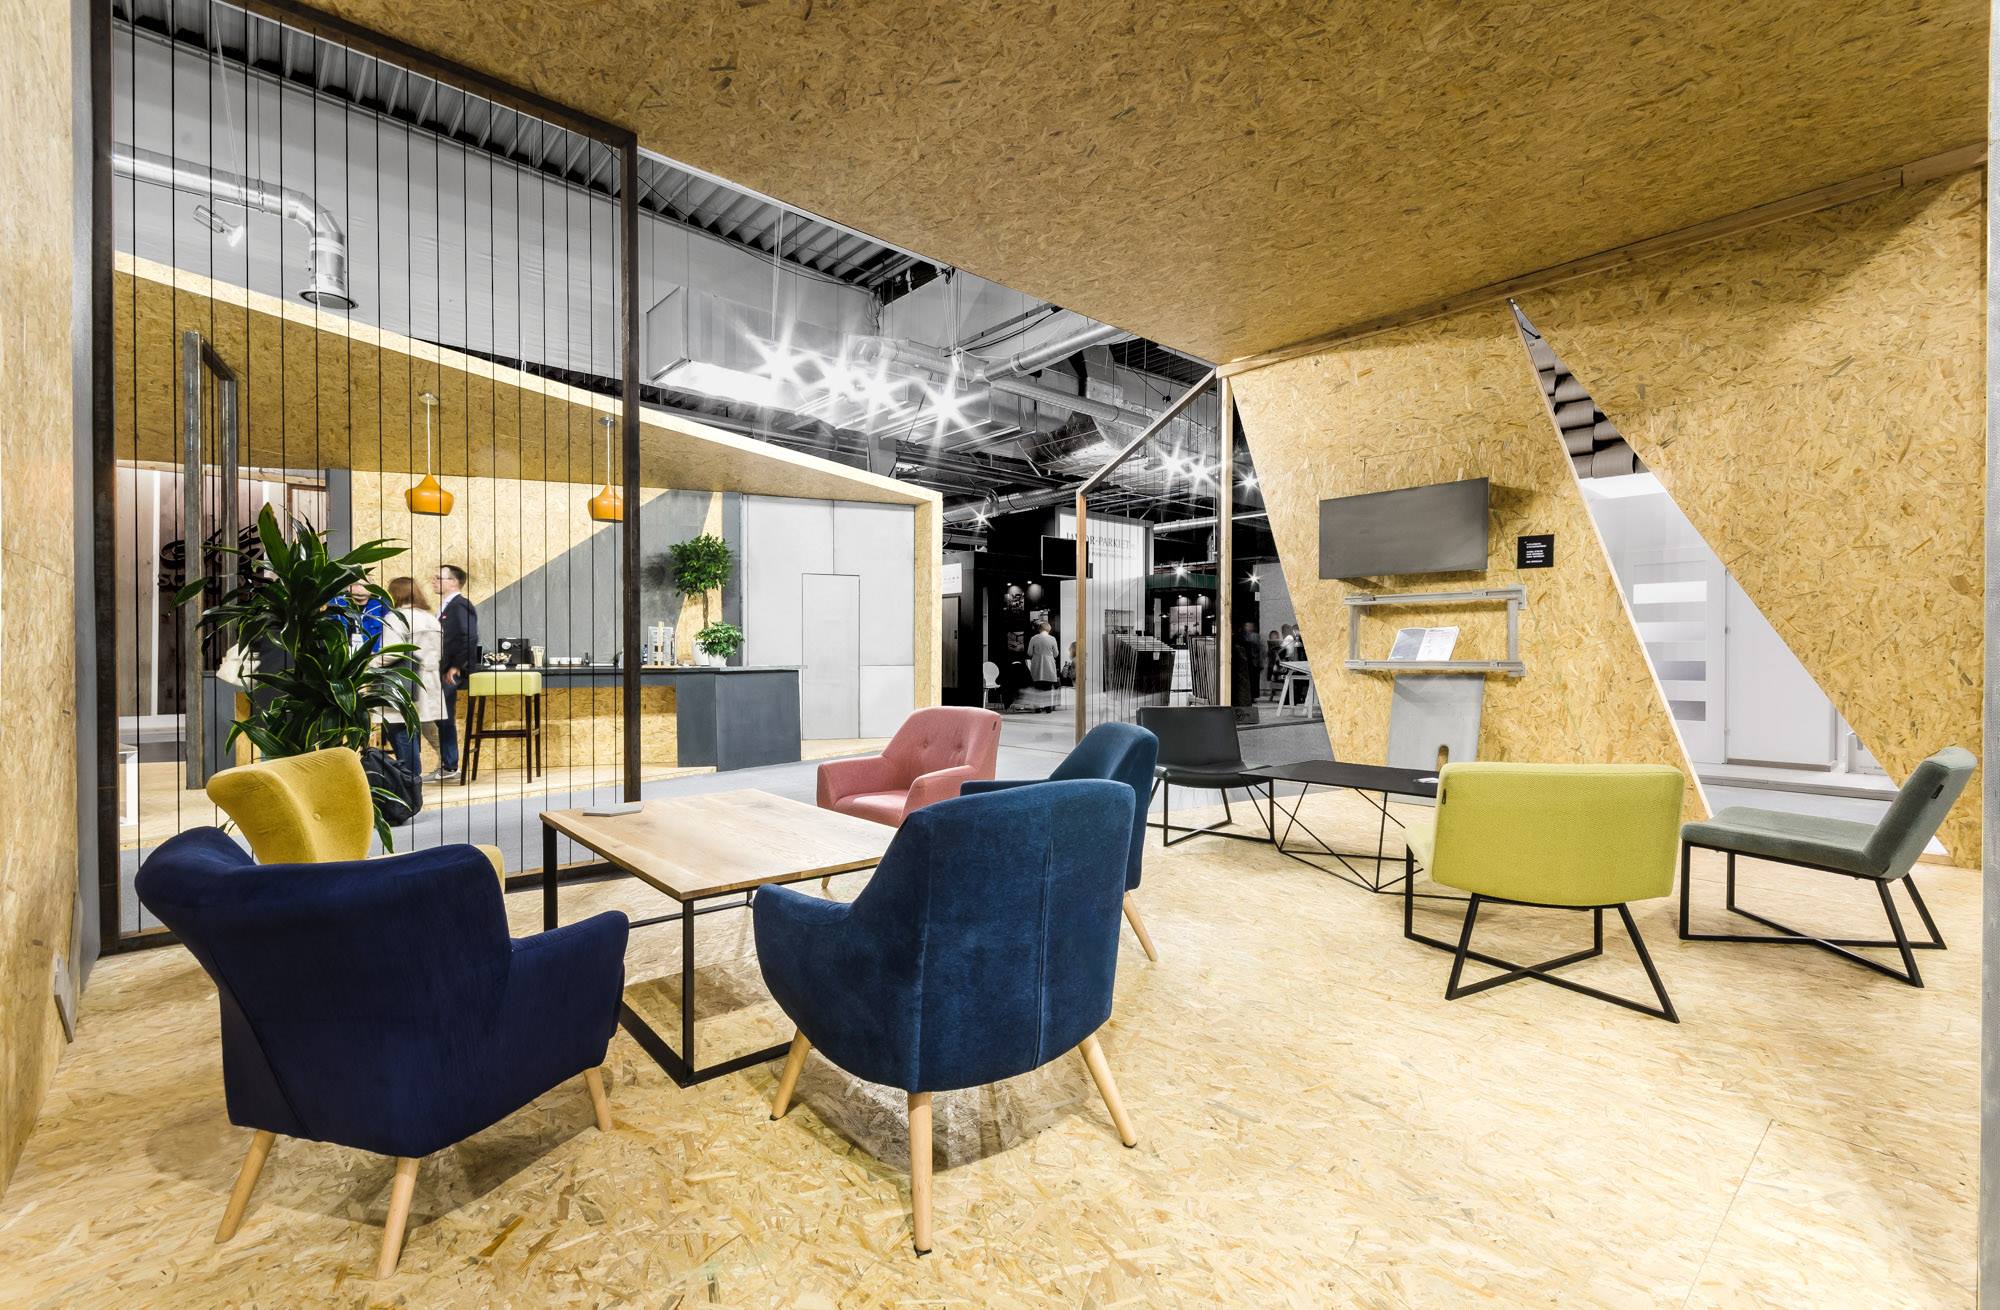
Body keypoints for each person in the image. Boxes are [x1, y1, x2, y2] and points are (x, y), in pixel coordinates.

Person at [379, 576, 444, 782]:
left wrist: (368, 663)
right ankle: (414, 783)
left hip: (403, 683)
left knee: (401, 732)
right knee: (413, 731)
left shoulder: (396, 618)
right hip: (428, 681)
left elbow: (392, 653)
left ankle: (410, 784)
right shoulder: (431, 618)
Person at [432, 564, 478, 781]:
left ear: (453, 582)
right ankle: (448, 764)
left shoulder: (460, 605)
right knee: (441, 715)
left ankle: (450, 766)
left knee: (445, 715)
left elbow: (469, 637)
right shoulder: (446, 606)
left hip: (452, 671)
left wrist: (456, 666)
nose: (434, 581)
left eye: (438, 578)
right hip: (443, 668)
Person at [1026, 620, 1061, 713]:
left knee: (1037, 687)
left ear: (1039, 629)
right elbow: (1056, 654)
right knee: (1048, 687)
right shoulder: (1052, 639)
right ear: (1049, 629)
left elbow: (1029, 653)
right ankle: (1048, 708)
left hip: (1037, 664)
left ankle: (1037, 708)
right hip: (1048, 664)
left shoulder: (1033, 638)